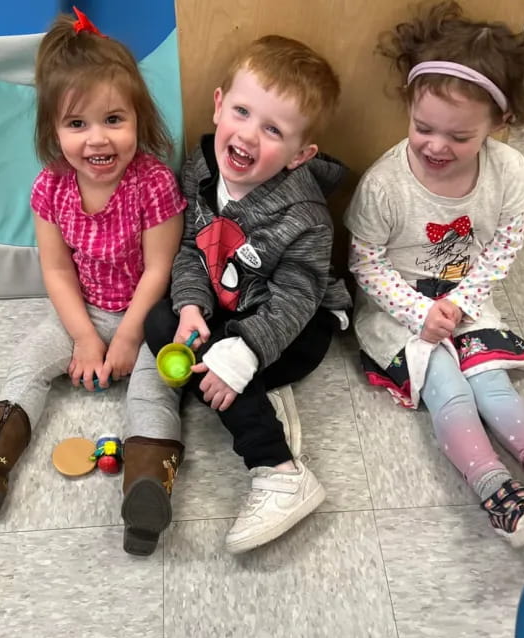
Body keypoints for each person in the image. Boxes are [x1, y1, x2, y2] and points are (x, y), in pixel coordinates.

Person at [0, 10, 185, 520]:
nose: (97, 139)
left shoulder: (154, 182)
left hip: (150, 314)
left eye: (114, 120)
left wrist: (128, 339)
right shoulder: (51, 188)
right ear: (53, 129)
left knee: (154, 386)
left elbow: (159, 272)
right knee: (26, 363)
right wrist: (86, 337)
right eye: (77, 124)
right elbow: (57, 271)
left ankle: (146, 490)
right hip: (85, 310)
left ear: (138, 118)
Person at [344, 1, 524, 548]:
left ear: (499, 123)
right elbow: (364, 262)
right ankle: (496, 492)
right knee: (448, 388)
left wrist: (462, 304)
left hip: (466, 296)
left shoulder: (510, 169)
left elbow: (502, 247)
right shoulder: (384, 184)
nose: (436, 147)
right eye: (423, 128)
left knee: (489, 382)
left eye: (459, 137)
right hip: (398, 307)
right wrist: (422, 313)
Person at [119, 35, 352, 556]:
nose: (248, 135)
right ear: (220, 104)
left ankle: (278, 469)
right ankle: (243, 382)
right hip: (227, 305)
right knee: (161, 324)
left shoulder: (305, 217)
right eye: (242, 112)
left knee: (223, 362)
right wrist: (191, 308)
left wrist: (244, 351)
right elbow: (188, 248)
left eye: (273, 130)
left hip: (297, 323)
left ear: (300, 155)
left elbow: (297, 296)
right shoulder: (201, 167)